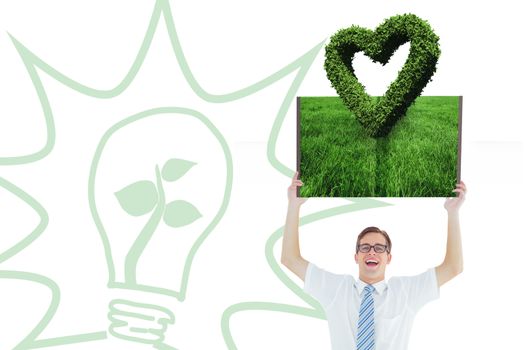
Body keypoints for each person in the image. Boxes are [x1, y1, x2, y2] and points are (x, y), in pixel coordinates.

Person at [281, 172, 466, 350]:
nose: (372, 252)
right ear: (356, 257)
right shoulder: (337, 289)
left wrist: (453, 212)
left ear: (388, 258)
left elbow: (453, 267)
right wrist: (293, 206)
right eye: (365, 247)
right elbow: (290, 259)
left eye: (379, 248)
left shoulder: (405, 292)